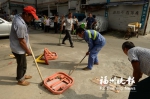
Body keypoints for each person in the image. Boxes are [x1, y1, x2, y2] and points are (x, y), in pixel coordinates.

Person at [9, 6, 38, 86]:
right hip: (19, 48)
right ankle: (20, 80)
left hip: (17, 46)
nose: (32, 19)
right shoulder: (20, 24)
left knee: (22, 64)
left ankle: (22, 75)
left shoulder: (18, 16)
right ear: (26, 14)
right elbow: (21, 41)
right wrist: (28, 51)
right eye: (31, 16)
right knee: (21, 65)